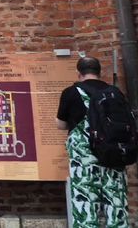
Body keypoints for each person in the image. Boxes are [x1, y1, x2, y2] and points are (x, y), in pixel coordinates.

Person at [56, 56, 130, 228]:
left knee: (86, 203)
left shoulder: (71, 92)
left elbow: (60, 124)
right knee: (116, 202)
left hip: (85, 158)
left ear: (78, 73)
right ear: (99, 72)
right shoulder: (114, 93)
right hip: (114, 154)